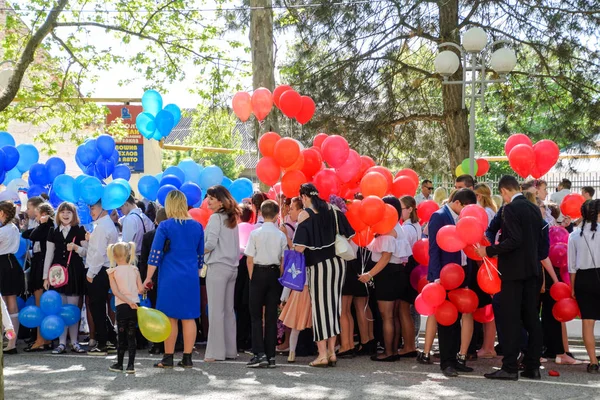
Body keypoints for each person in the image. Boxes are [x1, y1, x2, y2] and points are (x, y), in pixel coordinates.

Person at [477, 175, 545, 381]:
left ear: (504, 192)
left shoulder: (510, 209)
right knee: (532, 319)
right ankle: (532, 366)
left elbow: (515, 239)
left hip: (514, 273)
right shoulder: (534, 208)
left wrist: (489, 251)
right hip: (532, 271)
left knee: (510, 319)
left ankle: (509, 367)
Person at [293, 183, 354, 368]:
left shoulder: (306, 215)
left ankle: (322, 354)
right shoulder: (334, 210)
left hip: (318, 266)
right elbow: (349, 235)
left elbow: (299, 248)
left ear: (304, 197)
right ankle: (331, 351)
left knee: (320, 310)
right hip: (338, 264)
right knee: (334, 307)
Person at [144, 190, 204, 368]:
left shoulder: (165, 226)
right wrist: (195, 272)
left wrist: (147, 278)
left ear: (169, 205)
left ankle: (168, 357)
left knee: (170, 318)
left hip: (170, 277)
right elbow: (200, 257)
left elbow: (154, 256)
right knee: (189, 317)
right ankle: (187, 358)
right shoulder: (197, 226)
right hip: (190, 276)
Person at [427, 189, 477, 377]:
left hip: (462, 272)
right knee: (447, 318)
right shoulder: (439, 217)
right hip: (446, 275)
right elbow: (434, 249)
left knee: (458, 317)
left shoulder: (463, 218)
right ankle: (446, 361)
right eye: (466, 207)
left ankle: (455, 359)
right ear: (458, 203)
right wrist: (436, 277)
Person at [360, 196, 412, 362]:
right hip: (397, 273)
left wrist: (369, 274)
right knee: (394, 315)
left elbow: (385, 257)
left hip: (387, 275)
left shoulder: (388, 228)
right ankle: (394, 350)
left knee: (387, 316)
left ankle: (389, 352)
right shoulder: (398, 226)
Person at [244, 200, 287, 368]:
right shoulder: (281, 235)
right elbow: (283, 261)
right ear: (277, 216)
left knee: (255, 316)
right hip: (274, 272)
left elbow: (249, 259)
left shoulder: (255, 233)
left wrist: (252, 278)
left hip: (258, 272)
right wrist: (280, 276)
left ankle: (258, 353)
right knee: (271, 316)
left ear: (260, 213)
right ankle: (271, 355)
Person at [43, 202, 88, 354]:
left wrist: (76, 248)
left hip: (74, 271)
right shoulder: (52, 231)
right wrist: (45, 277)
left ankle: (75, 342)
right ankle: (62, 343)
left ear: (74, 215)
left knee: (72, 309)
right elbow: (49, 255)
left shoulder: (79, 230)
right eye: (63, 211)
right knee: (60, 309)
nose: (66, 214)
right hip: (57, 273)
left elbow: (87, 252)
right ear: (58, 214)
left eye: (69, 212)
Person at [203, 185, 241, 362]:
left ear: (220, 200)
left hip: (218, 267)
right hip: (232, 267)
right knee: (227, 310)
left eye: (211, 198)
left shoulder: (216, 218)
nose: (208, 201)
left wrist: (196, 252)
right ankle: (229, 350)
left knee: (216, 311)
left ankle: (215, 353)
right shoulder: (231, 218)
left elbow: (210, 244)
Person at [279, 197, 315, 363]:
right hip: (308, 280)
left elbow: (296, 252)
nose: (289, 211)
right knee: (304, 320)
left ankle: (293, 352)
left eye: (292, 208)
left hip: (302, 282)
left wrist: (287, 237)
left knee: (296, 321)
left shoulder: (302, 228)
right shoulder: (314, 227)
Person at [568, 199, 600, 373]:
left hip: (583, 279)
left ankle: (593, 362)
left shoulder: (574, 235)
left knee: (587, 323)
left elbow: (572, 266)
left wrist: (573, 287)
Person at [85, 200, 119, 355]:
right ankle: (110, 339)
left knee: (97, 307)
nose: (91, 211)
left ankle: (103, 343)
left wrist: (91, 273)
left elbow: (99, 254)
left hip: (98, 271)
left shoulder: (102, 226)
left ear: (102, 208)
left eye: (93, 208)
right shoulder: (103, 224)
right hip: (102, 269)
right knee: (98, 307)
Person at [21, 202, 54, 352]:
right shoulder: (42, 227)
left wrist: (43, 224)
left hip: (42, 268)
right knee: (42, 303)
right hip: (38, 266)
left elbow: (33, 235)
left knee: (42, 304)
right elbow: (26, 234)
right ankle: (44, 338)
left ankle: (42, 339)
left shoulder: (48, 228)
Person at [107, 242, 144, 374]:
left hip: (122, 306)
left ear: (114, 256)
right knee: (131, 335)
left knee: (121, 335)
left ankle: (119, 363)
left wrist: (127, 301)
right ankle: (131, 365)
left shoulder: (112, 272)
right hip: (135, 305)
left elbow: (116, 292)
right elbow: (140, 289)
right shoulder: (134, 269)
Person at [0, 201, 24, 354]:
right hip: (12, 263)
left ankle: (10, 341)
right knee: (12, 303)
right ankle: (11, 341)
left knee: (5, 303)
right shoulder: (14, 228)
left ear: (3, 213)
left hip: (3, 264)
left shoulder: (4, 230)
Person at [399, 195, 422, 357]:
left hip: (408, 268)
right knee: (409, 309)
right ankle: (410, 343)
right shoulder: (416, 225)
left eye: (400, 208)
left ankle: (409, 345)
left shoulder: (407, 228)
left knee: (404, 309)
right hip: (415, 267)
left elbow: (402, 252)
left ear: (409, 209)